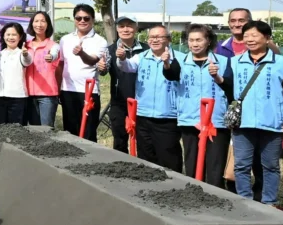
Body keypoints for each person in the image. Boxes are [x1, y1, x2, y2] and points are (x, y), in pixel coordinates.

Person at [223, 20, 283, 205]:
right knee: (241, 165)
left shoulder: (282, 62)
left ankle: (269, 201)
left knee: (270, 166)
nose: (250, 39)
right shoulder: (235, 61)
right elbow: (228, 89)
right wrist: (216, 76)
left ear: (267, 38)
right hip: (243, 122)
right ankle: (244, 200)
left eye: (254, 35)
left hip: (272, 122)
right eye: (246, 36)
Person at [164, 24, 230, 187]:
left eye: (199, 40)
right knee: (192, 161)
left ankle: (215, 195)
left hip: (216, 120)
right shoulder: (179, 61)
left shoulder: (224, 62)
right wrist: (166, 63)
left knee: (215, 164)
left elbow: (230, 87)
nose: (194, 44)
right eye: (191, 40)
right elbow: (171, 75)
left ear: (208, 41)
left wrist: (217, 76)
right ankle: (193, 194)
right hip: (190, 119)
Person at [116, 25, 182, 172]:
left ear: (168, 40)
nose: (154, 40)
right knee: (146, 158)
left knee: (168, 158)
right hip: (143, 115)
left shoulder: (180, 58)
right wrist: (121, 59)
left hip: (168, 117)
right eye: (151, 37)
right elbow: (126, 66)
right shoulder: (142, 57)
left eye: (159, 37)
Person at [59, 4, 107, 141]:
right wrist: (58, 88)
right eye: (78, 18)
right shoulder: (65, 39)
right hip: (67, 90)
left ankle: (90, 161)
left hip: (89, 92)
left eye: (86, 18)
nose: (82, 21)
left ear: (92, 19)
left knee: (88, 132)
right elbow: (61, 64)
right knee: (69, 131)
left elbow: (92, 61)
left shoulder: (100, 41)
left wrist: (81, 53)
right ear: (74, 19)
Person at [99, 16, 147, 153]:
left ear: (136, 28)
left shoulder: (146, 49)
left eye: (129, 26)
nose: (126, 29)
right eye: (122, 26)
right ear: (117, 29)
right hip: (119, 102)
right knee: (119, 142)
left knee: (143, 142)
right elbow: (103, 71)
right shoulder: (110, 49)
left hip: (142, 103)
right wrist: (101, 68)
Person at [25, 11, 62, 127]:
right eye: (36, 21)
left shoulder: (53, 46)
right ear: (32, 24)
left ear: (48, 25)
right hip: (28, 95)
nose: (39, 24)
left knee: (47, 130)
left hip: (48, 95)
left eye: (43, 21)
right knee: (33, 131)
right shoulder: (25, 46)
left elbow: (54, 54)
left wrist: (51, 57)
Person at [0, 22, 32, 125]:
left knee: (17, 131)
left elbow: (27, 61)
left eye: (14, 34)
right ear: (3, 36)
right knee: (1, 129)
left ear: (20, 37)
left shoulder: (21, 53)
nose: (11, 37)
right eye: (8, 34)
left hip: (18, 98)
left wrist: (25, 54)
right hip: (0, 97)